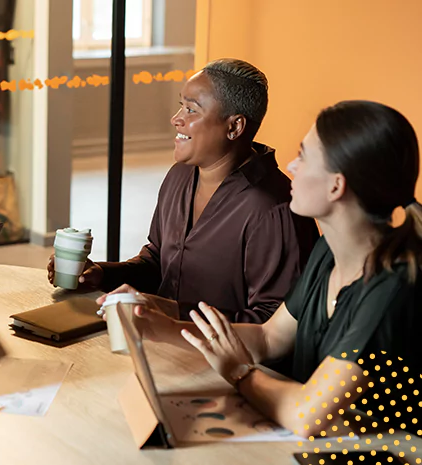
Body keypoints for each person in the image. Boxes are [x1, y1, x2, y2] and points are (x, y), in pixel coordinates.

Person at [126, 100, 422, 437]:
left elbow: (306, 414)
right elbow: (269, 338)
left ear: (336, 185)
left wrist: (240, 375)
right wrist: (158, 327)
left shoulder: (392, 289)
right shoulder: (329, 251)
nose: (292, 166)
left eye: (304, 156)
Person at [48, 58, 319, 323]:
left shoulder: (273, 209)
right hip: (163, 343)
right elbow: (158, 262)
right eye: (181, 106)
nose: (176, 119)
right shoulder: (180, 175)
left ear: (234, 126)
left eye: (191, 110)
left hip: (225, 364)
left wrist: (171, 311)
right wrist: (102, 275)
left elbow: (273, 323)